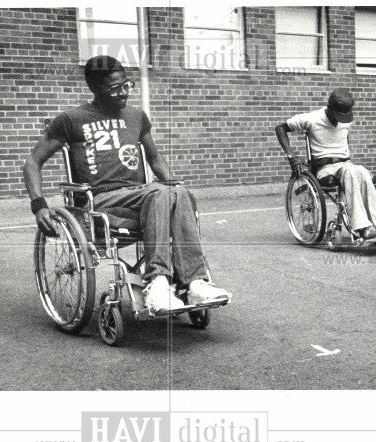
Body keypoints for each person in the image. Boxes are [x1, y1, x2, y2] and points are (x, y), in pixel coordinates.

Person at [23, 55, 231, 312]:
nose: (124, 93)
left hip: (140, 196)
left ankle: (195, 283)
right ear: (95, 89)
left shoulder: (136, 116)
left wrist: (172, 185)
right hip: (99, 200)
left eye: (127, 85)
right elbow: (33, 162)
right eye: (115, 88)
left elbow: (154, 158)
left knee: (178, 192)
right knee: (160, 194)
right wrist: (39, 205)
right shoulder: (71, 119)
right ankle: (157, 283)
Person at [275, 88, 376, 242]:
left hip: (346, 165)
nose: (342, 120)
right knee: (351, 171)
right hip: (325, 169)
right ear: (330, 109)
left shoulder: (346, 121)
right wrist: (292, 156)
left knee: (361, 171)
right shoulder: (312, 119)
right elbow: (280, 128)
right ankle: (361, 227)